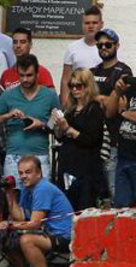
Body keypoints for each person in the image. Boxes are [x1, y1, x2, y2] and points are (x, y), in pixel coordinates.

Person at [0, 155, 74, 267]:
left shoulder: (43, 188)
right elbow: (20, 217)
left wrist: (7, 224)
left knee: (27, 240)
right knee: (8, 238)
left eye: (28, 172)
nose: (23, 176)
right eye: (21, 173)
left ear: (39, 173)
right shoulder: (26, 189)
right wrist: (10, 194)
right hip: (46, 233)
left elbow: (35, 223)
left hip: (64, 236)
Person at [0, 55, 60, 185]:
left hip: (39, 156)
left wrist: (41, 125)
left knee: (41, 199)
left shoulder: (50, 95)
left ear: (37, 73)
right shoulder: (8, 95)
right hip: (13, 157)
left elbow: (59, 128)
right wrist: (7, 115)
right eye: (21, 75)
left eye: (29, 75)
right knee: (13, 198)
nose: (25, 79)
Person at [52, 69, 105, 211]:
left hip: (86, 168)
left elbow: (92, 140)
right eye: (71, 86)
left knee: (84, 207)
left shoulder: (94, 109)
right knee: (66, 206)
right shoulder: (70, 108)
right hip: (67, 164)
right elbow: (60, 137)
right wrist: (58, 126)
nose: (74, 89)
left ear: (88, 86)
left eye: (79, 85)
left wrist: (69, 129)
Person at [93, 28, 131, 199]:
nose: (103, 47)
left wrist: (97, 98)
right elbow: (82, 99)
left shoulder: (124, 71)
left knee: (114, 193)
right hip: (92, 139)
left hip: (113, 141)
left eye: (108, 44)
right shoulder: (92, 71)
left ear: (117, 45)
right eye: (99, 44)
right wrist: (105, 98)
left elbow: (115, 109)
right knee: (96, 194)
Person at [60, 5, 103, 105]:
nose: (91, 26)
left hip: (100, 102)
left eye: (94, 23)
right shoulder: (72, 48)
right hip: (77, 102)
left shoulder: (108, 48)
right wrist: (65, 105)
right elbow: (66, 79)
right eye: (87, 23)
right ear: (82, 25)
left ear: (101, 24)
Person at [110, 77, 136, 207]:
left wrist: (124, 112)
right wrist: (117, 92)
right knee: (121, 207)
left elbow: (122, 112)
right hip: (123, 155)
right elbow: (109, 113)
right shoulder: (131, 87)